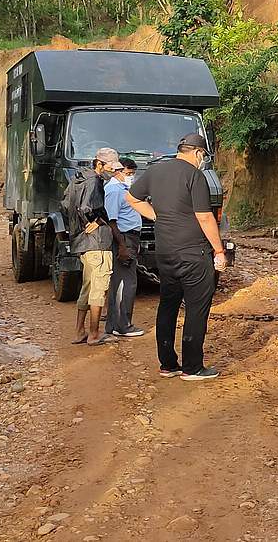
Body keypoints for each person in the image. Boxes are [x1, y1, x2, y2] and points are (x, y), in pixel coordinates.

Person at [125, 133, 228, 381]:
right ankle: (192, 367)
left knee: (168, 305)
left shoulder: (155, 171)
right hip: (193, 253)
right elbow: (204, 217)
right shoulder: (195, 176)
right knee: (196, 309)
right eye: (203, 156)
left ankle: (168, 364)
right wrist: (219, 250)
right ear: (198, 153)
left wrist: (157, 216)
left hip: (166, 252)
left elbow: (131, 198)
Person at [69, 148, 118, 346]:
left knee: (87, 287)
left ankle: (80, 331)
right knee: (99, 289)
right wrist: (98, 221)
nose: (112, 172)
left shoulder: (77, 179)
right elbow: (88, 207)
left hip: (83, 244)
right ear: (99, 164)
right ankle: (94, 334)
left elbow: (66, 205)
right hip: (97, 243)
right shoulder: (95, 181)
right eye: (110, 167)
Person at [105, 157, 144, 339]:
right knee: (126, 283)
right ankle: (123, 325)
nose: (131, 177)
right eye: (128, 173)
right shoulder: (114, 190)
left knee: (121, 281)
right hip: (124, 237)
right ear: (118, 171)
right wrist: (122, 246)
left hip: (130, 237)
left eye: (133, 174)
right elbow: (112, 221)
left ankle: (114, 324)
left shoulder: (124, 189)